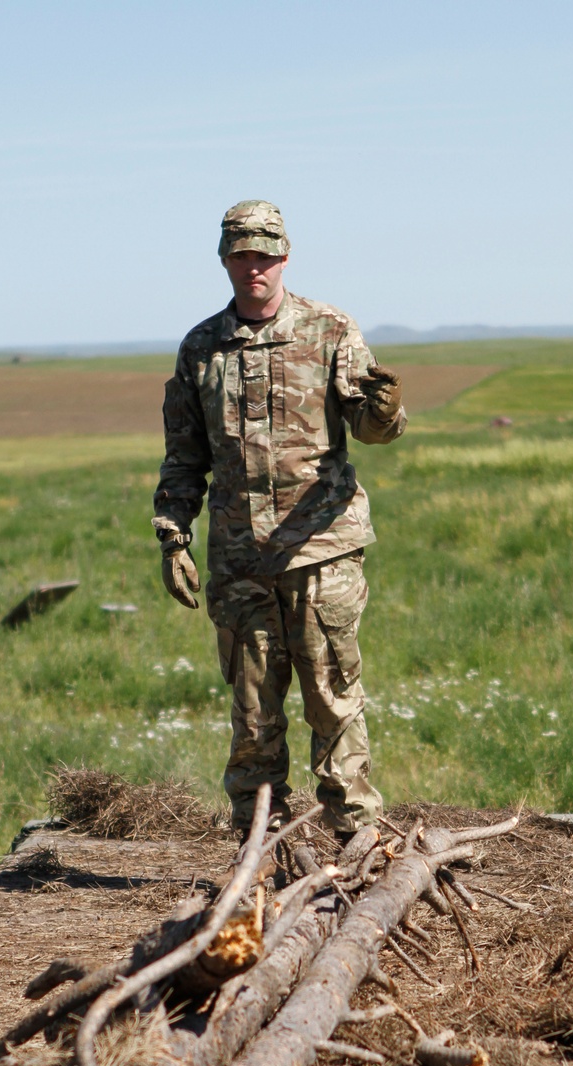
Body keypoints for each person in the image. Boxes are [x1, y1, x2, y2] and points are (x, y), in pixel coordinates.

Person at [152, 200, 405, 837]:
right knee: (253, 719)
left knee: (332, 701)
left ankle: (355, 843)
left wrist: (385, 409)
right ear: (225, 260)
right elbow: (184, 455)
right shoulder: (201, 348)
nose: (253, 266)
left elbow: (371, 431)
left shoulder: (329, 330)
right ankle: (258, 851)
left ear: (285, 257)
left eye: (265, 254)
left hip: (321, 550)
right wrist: (173, 535)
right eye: (242, 254)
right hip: (240, 561)